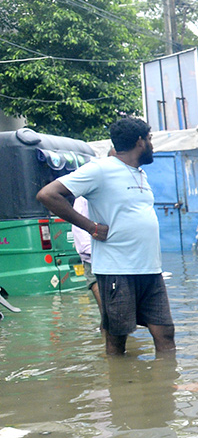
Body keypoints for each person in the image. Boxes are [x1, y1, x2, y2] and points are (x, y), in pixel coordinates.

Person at [37, 117, 176, 356]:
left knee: (165, 332)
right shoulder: (100, 169)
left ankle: (165, 388)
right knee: (117, 338)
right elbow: (48, 195)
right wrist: (90, 226)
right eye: (150, 139)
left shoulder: (139, 174)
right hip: (117, 269)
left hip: (150, 270)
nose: (152, 145)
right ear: (140, 141)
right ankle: (119, 387)